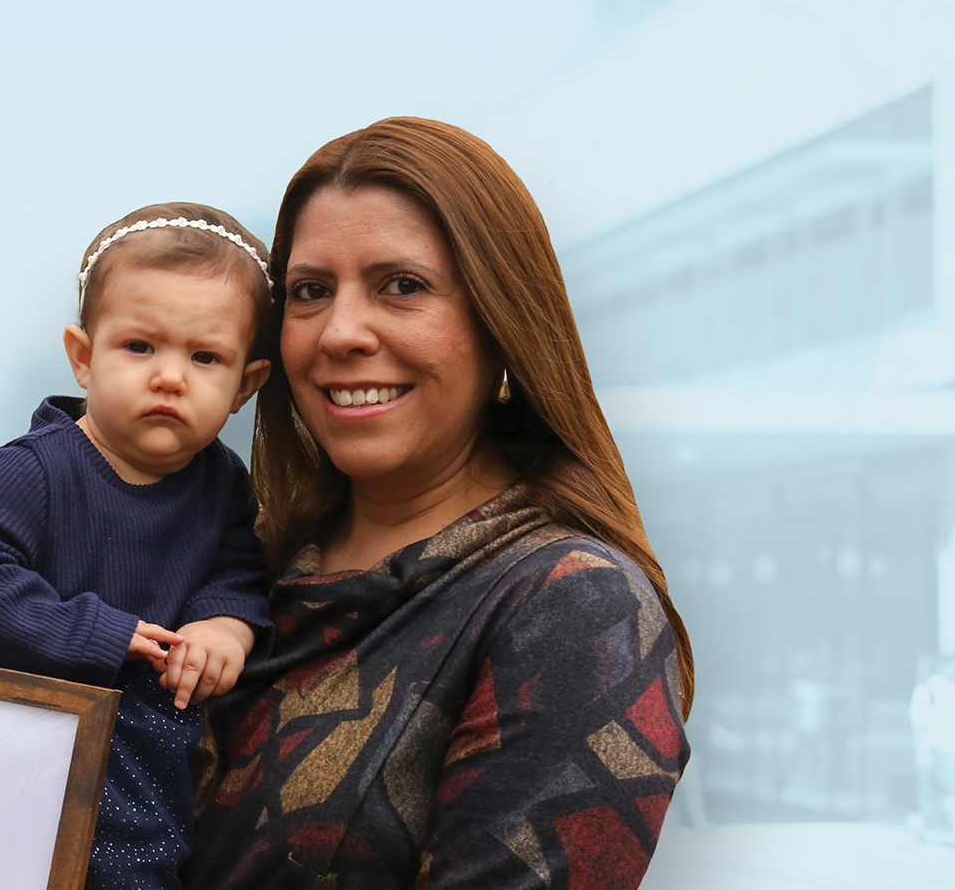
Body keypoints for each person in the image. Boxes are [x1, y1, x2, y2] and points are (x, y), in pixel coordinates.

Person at [187, 118, 695, 889]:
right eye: (310, 292)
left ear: (502, 324)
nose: (341, 332)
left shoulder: (577, 609)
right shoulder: (236, 568)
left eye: (403, 286)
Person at [0, 203, 276, 890]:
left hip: (140, 762)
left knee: (136, 870)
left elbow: (235, 574)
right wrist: (97, 632)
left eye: (205, 357)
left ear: (246, 385)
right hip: (9, 737)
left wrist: (221, 627)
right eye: (139, 347)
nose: (170, 376)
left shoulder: (224, 487)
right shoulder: (35, 469)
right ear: (84, 358)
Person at [908, 651, 955, 848]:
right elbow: (919, 723)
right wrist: (921, 751)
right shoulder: (928, 689)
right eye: (950, 665)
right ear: (941, 667)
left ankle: (920, 819)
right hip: (940, 747)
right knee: (953, 791)